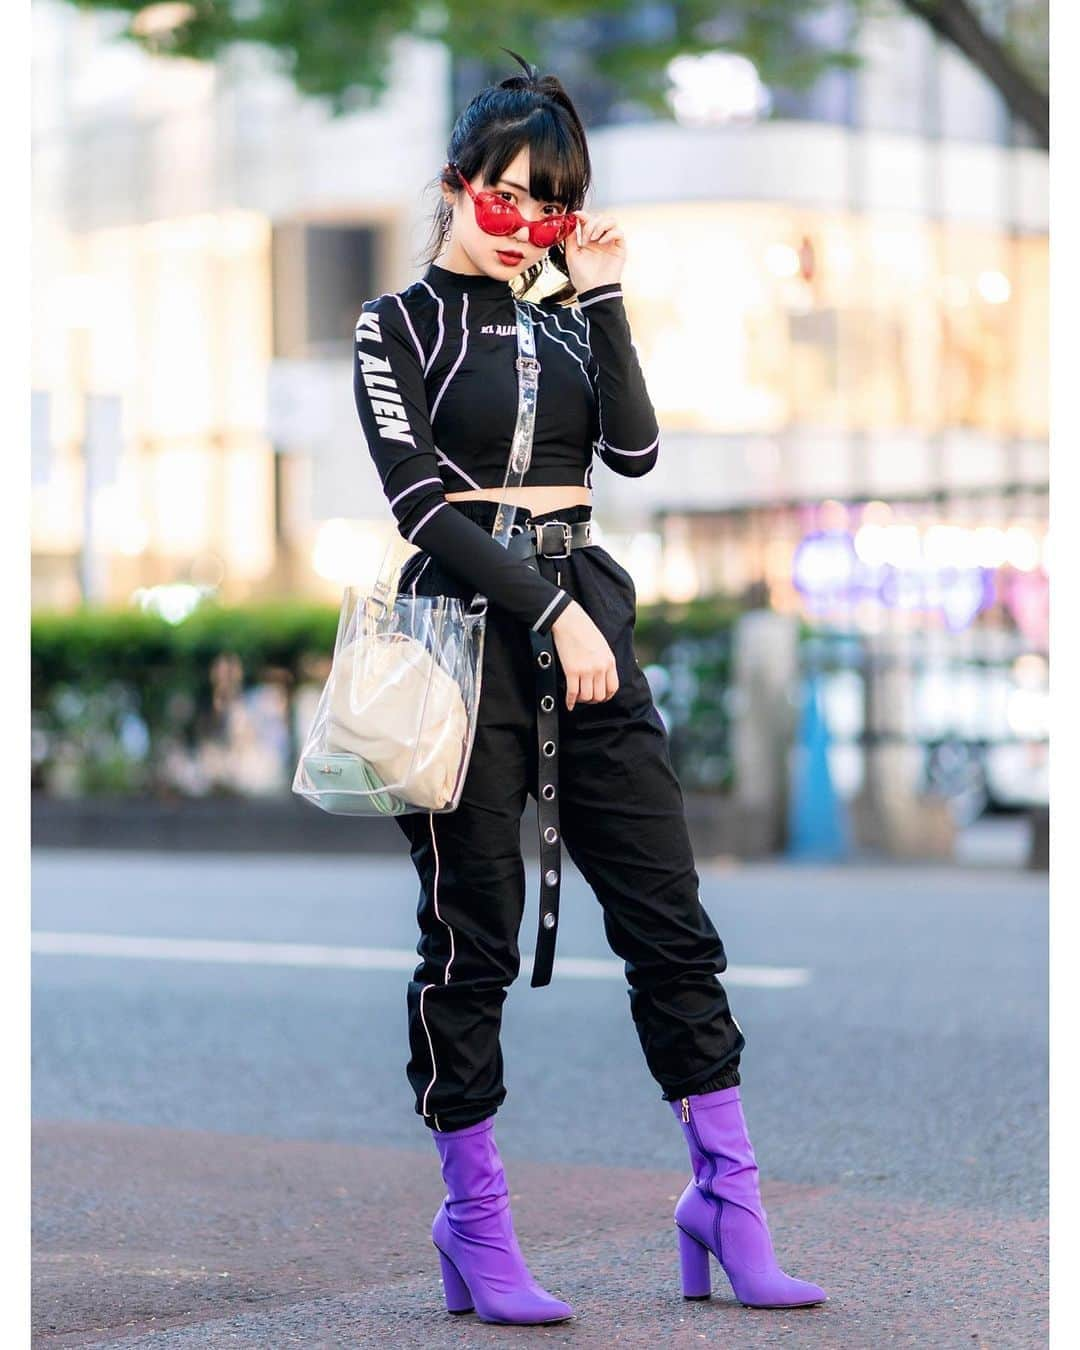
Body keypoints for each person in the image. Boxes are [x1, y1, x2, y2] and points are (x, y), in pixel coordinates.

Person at [351, 48, 827, 1327]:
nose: (524, 229)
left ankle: (728, 1204)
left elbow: (634, 448)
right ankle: (476, 1225)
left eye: (549, 210)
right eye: (504, 200)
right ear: (455, 188)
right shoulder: (392, 324)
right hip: (461, 633)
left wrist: (603, 294)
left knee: (669, 919)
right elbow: (418, 505)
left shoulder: (567, 314)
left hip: (591, 618)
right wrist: (545, 610)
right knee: (471, 936)